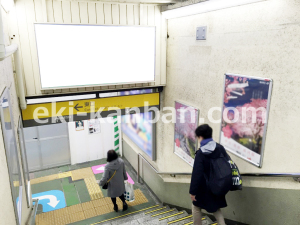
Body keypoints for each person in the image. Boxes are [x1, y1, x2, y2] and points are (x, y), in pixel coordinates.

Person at [190, 124, 227, 225]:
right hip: (217, 186)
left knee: (196, 207)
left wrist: (193, 192)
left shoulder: (201, 153)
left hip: (203, 189)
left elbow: (197, 173)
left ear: (200, 137)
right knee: (216, 209)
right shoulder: (220, 148)